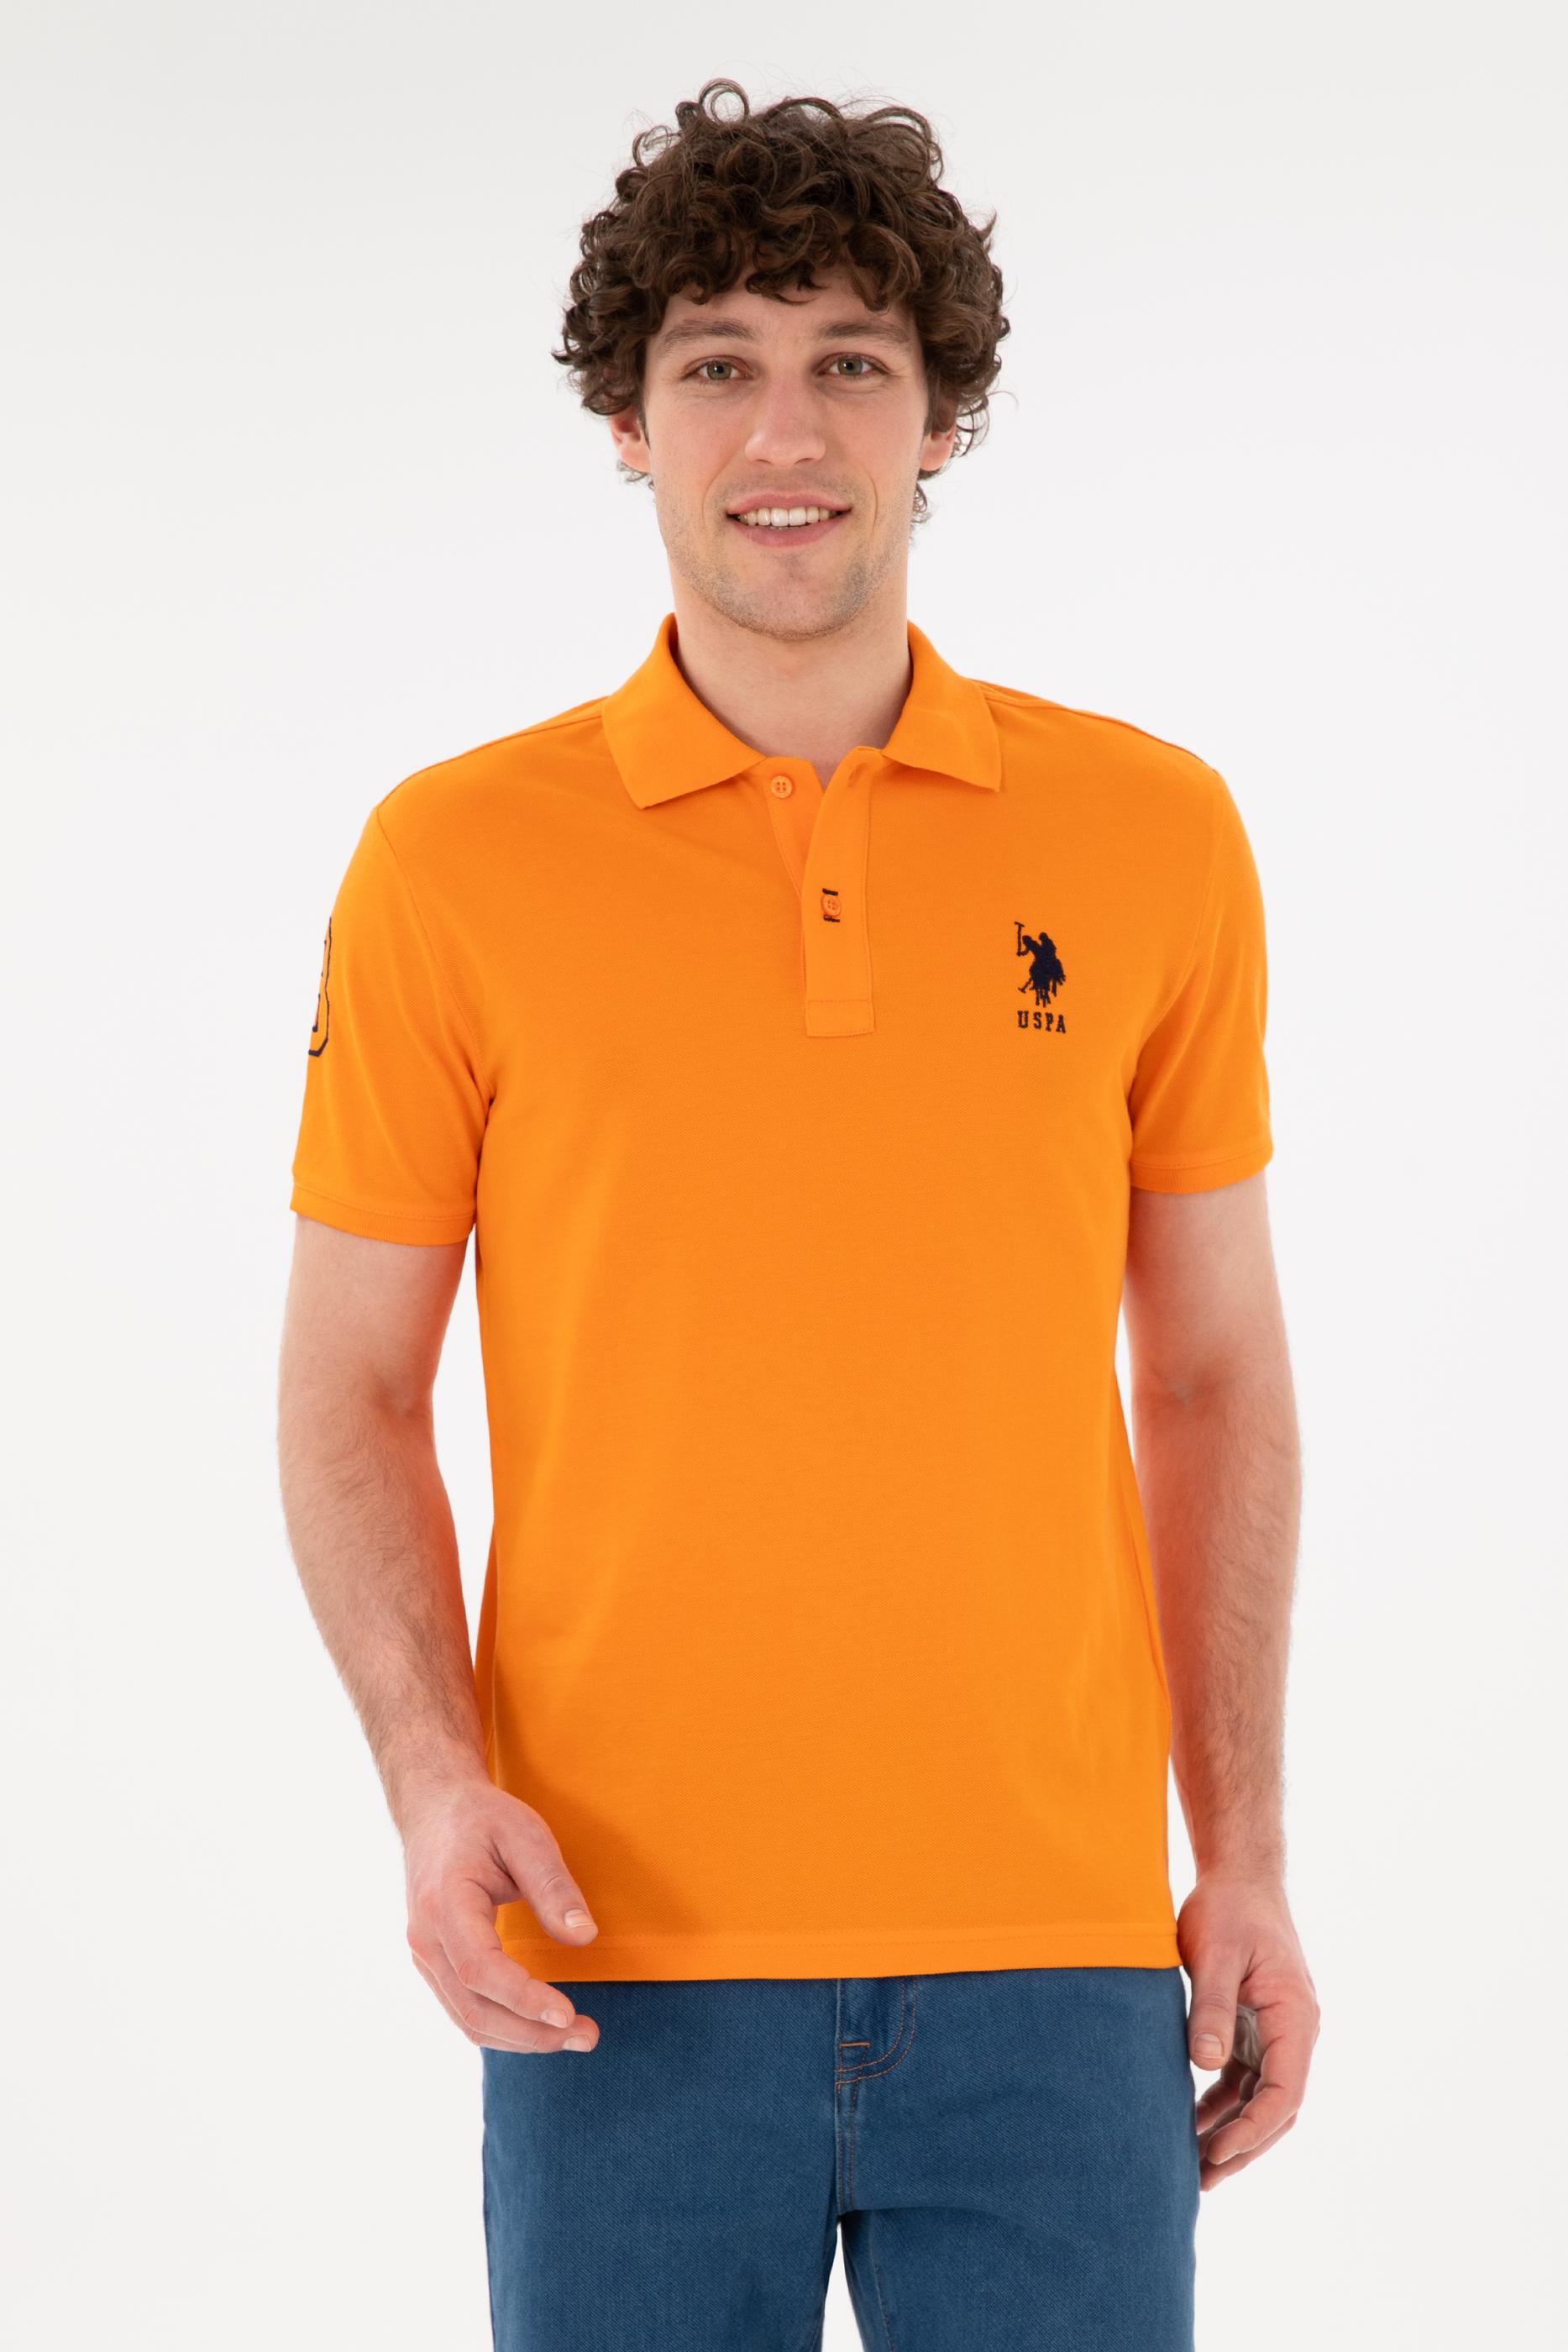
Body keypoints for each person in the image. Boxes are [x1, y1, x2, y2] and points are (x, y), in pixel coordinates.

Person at [277, 76, 1318, 2352]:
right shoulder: (453, 862)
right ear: (626, 421)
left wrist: (1238, 1851)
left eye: (852, 358)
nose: (786, 429)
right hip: (610, 1962)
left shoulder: (1153, 834)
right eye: (716, 362)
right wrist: (433, 1790)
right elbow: (350, 1388)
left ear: (939, 415)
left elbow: (1216, 1372)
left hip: (1059, 1960)